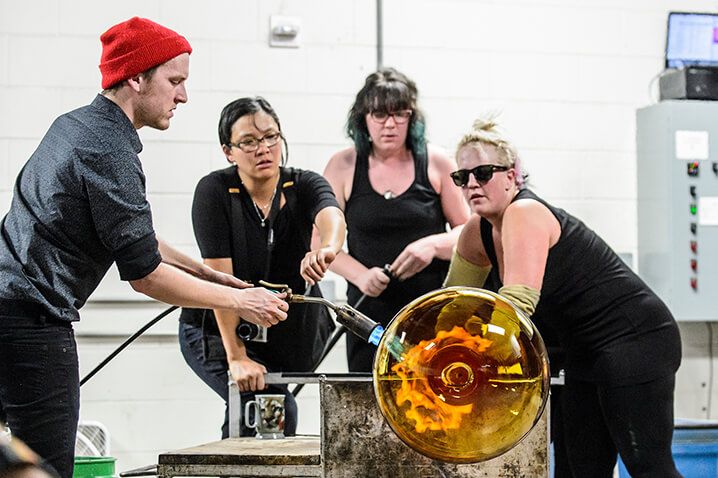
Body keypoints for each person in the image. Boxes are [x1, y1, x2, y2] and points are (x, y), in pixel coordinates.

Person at [0, 18, 288, 478]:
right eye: (175, 81)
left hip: (9, 309)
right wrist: (241, 301)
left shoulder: (75, 125)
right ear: (136, 78)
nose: (182, 96)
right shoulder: (109, 151)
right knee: (44, 468)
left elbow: (135, 237)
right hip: (29, 323)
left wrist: (209, 274)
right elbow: (145, 275)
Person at [444, 117, 682, 477]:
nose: (472, 184)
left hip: (635, 339)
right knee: (577, 470)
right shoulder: (475, 234)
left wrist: (474, 358)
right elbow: (449, 309)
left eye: (484, 173)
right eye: (462, 178)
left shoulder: (525, 213)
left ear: (512, 175)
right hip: (583, 352)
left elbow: (516, 307)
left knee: (648, 465)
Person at [179, 97, 345, 438]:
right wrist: (237, 357)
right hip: (217, 328)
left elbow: (332, 216)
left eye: (271, 137)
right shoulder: (214, 192)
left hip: (285, 333)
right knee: (258, 404)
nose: (264, 149)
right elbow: (220, 282)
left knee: (275, 407)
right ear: (229, 151)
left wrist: (326, 249)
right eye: (249, 142)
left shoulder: (303, 184)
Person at [323, 68, 470, 371]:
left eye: (399, 114)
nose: (389, 124)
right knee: (371, 398)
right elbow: (322, 244)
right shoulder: (343, 165)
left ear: (411, 118)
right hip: (369, 314)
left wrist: (432, 245)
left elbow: (469, 232)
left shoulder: (437, 162)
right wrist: (361, 275)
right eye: (379, 114)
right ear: (363, 117)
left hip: (430, 312)